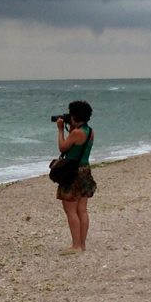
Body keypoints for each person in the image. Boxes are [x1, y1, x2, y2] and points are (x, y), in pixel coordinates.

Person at [55, 100, 96, 254]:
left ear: (74, 115)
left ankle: (76, 245)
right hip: (85, 170)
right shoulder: (89, 131)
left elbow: (63, 147)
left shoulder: (76, 133)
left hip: (73, 173)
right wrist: (71, 126)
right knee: (82, 210)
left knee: (70, 209)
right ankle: (82, 244)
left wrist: (60, 130)